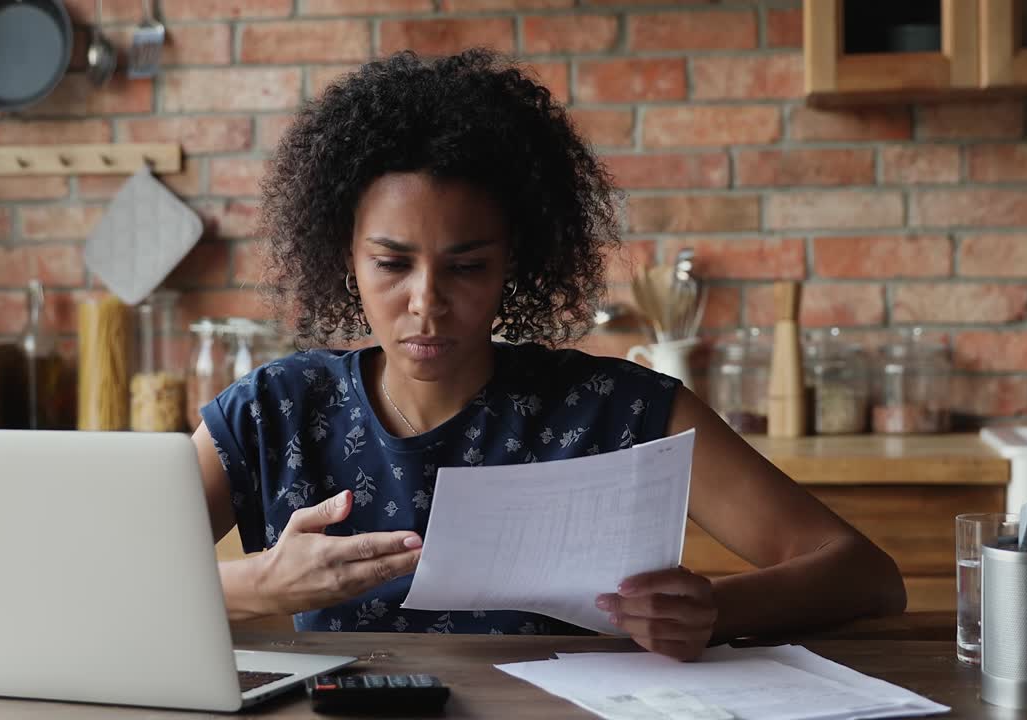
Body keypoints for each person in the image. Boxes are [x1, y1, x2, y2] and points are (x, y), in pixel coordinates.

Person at [192, 49, 905, 661]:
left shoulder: (615, 410)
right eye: (392, 263)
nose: (426, 301)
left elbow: (866, 577)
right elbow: (88, 588)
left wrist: (717, 609)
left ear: (515, 263)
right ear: (346, 257)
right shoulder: (272, 412)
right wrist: (261, 585)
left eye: (466, 267)